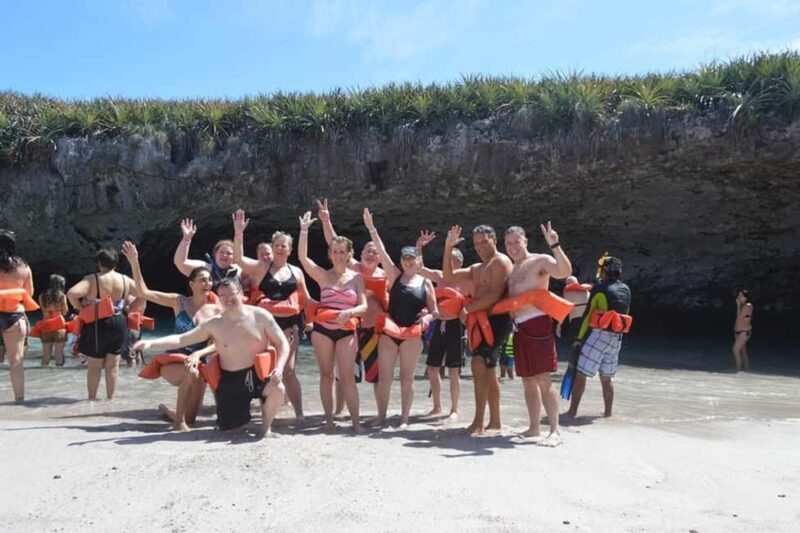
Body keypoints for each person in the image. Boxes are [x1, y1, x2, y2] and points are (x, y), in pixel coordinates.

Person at [134, 278, 290, 437]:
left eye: (232, 294)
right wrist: (151, 343)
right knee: (231, 431)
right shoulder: (214, 324)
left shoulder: (261, 316)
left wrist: (279, 368)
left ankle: (265, 429)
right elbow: (181, 339)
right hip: (231, 380)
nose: (227, 299)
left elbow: (282, 343)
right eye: (222, 296)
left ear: (241, 293)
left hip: (259, 375)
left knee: (278, 389)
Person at [121, 241, 220, 432]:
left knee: (192, 418)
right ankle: (178, 423)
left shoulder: (216, 310)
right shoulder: (178, 301)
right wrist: (134, 262)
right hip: (174, 360)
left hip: (199, 360)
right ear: (191, 284)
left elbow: (219, 343)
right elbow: (143, 292)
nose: (208, 284)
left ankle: (167, 410)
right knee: (192, 373)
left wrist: (199, 354)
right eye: (202, 280)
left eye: (209, 280)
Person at [232, 209, 311, 422]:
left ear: (289, 249)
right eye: (276, 245)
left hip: (290, 327)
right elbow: (238, 258)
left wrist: (320, 316)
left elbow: (306, 299)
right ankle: (266, 415)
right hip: (264, 327)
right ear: (272, 247)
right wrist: (239, 232)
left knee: (289, 371)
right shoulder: (261, 268)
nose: (280, 248)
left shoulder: (296, 271)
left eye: (283, 245)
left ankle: (299, 413)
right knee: (264, 369)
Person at [363, 209, 437, 428]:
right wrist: (371, 228)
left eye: (411, 258)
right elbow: (382, 252)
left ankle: (404, 419)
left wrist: (428, 319)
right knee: (384, 379)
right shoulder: (395, 276)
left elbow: (435, 311)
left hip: (412, 335)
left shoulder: (425, 283)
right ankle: (381, 417)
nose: (408, 261)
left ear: (418, 261)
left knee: (407, 380)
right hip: (389, 333)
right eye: (405, 258)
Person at [298, 211, 368, 432]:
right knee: (326, 375)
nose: (338, 255)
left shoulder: (357, 278)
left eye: (342, 252)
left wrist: (350, 312)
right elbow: (303, 258)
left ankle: (356, 423)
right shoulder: (323, 275)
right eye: (335, 251)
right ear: (330, 254)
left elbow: (364, 306)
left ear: (349, 255)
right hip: (323, 331)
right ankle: (328, 420)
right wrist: (304, 230)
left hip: (347, 330)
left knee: (347, 378)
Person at [504, 224, 572, 446]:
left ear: (525, 241)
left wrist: (555, 244)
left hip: (538, 324)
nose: (513, 247)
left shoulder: (540, 260)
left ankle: (555, 431)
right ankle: (534, 428)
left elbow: (564, 272)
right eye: (508, 243)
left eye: (517, 241)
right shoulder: (512, 270)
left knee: (543, 378)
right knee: (527, 380)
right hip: (519, 328)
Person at [442, 225, 512, 436]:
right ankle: (495, 421)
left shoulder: (500, 262)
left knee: (478, 363)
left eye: (484, 241)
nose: (480, 246)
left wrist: (468, 309)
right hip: (481, 321)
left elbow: (496, 294)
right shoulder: (477, 268)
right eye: (476, 243)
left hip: (497, 320)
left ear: (494, 240)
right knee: (489, 369)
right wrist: (448, 247)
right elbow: (449, 276)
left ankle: (478, 422)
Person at [318, 199, 387, 393]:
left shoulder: (385, 275)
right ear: (360, 253)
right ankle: (340, 409)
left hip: (373, 330)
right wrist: (326, 221)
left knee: (377, 376)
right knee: (345, 376)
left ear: (380, 257)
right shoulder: (353, 268)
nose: (370, 254)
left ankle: (380, 410)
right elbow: (334, 242)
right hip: (351, 327)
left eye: (374, 252)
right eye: (367, 251)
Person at [67, 248, 145, 400]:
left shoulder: (92, 279)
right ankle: (111, 399)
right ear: (115, 263)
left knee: (94, 366)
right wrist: (131, 307)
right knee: (113, 365)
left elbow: (71, 293)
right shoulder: (125, 280)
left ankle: (91, 399)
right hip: (119, 321)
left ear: (99, 263)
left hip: (98, 323)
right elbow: (143, 294)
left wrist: (80, 307)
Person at [415, 230, 471, 419]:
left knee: (454, 371)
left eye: (454, 260)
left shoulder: (465, 281)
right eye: (448, 259)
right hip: (438, 324)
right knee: (432, 368)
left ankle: (454, 409)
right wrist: (419, 246)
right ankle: (437, 406)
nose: (450, 263)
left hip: (456, 326)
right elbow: (419, 269)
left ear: (460, 263)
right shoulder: (439, 276)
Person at [567, 256, 632, 418]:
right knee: (607, 378)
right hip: (616, 339)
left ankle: (572, 412)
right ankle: (608, 413)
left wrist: (578, 339)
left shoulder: (600, 289)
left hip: (599, 336)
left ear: (604, 271)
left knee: (581, 374)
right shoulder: (626, 289)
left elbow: (587, 316)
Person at [0, 229, 36, 402]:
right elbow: (29, 293)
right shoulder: (24, 267)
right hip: (15, 316)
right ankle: (19, 400)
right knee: (16, 361)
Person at [173, 218, 241, 291]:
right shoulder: (206, 268)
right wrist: (186, 239)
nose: (224, 255)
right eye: (221, 252)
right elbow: (181, 263)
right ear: (215, 255)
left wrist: (239, 233)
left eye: (229, 253)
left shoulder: (239, 270)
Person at [37, 274, 69, 366]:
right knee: (59, 355)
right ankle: (59, 373)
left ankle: (43, 373)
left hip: (46, 325)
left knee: (45, 356)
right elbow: (65, 312)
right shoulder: (62, 296)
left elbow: (43, 310)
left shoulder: (41, 296)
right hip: (59, 326)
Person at [733, 289, 753, 371]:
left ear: (745, 297)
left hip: (744, 332)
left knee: (735, 349)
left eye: (740, 296)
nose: (738, 297)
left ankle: (738, 369)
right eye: (738, 295)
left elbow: (740, 317)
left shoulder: (748, 305)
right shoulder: (742, 305)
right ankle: (746, 369)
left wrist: (738, 306)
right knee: (742, 351)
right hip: (738, 331)